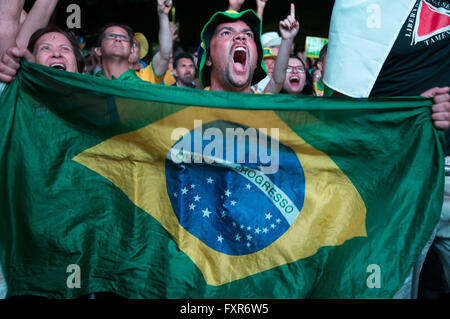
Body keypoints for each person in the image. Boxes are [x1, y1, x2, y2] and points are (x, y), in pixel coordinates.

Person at [323, 0, 450, 298]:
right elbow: (343, 110)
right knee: (386, 288)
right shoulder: (360, 6)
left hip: (448, 165)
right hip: (391, 175)